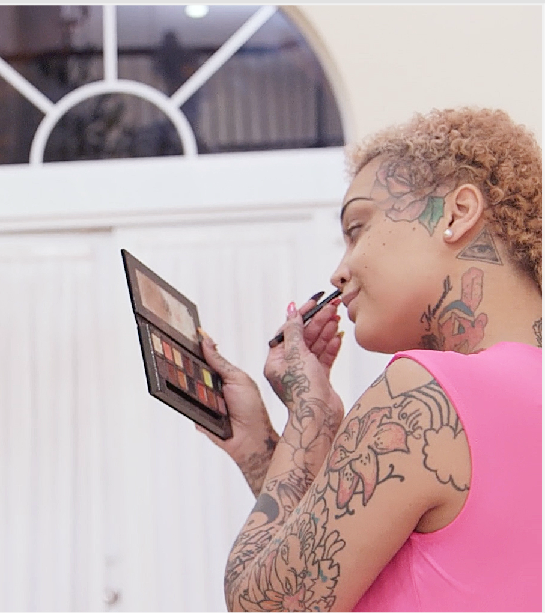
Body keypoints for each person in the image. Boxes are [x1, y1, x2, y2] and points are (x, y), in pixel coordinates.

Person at [198, 107, 541, 610]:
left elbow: (266, 605)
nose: (338, 272)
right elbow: (337, 562)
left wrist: (313, 415)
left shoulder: (423, 395)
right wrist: (261, 448)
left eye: (357, 228)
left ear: (457, 213)